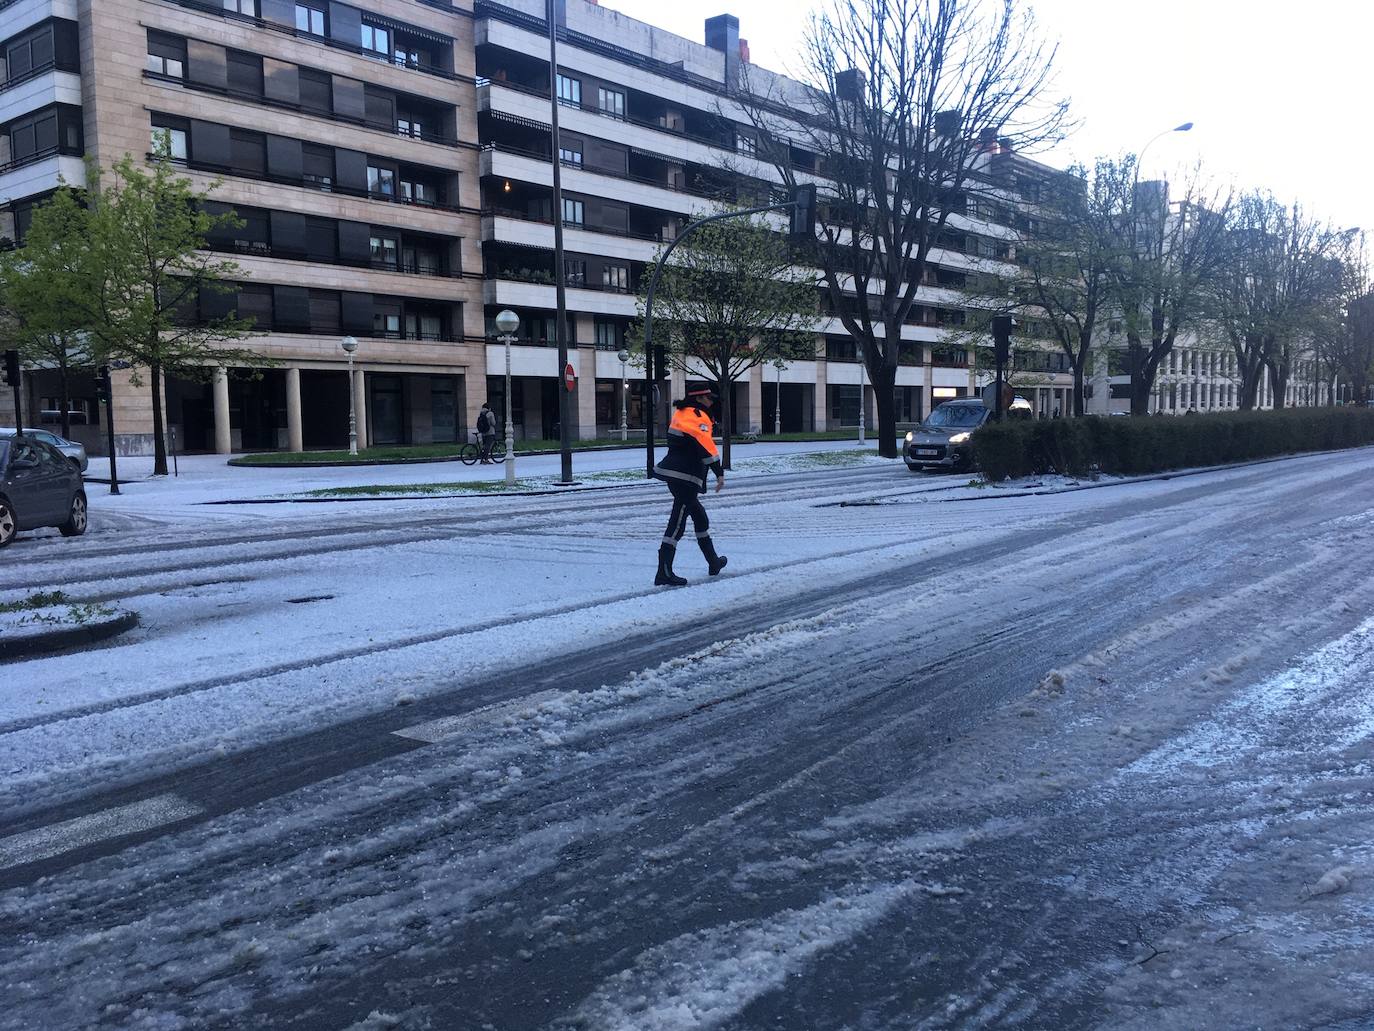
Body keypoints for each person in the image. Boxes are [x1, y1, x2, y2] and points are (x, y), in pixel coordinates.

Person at [651, 386, 727, 587]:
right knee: (678, 522)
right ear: (700, 398)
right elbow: (705, 446)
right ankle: (664, 572)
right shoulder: (698, 416)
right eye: (709, 398)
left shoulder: (682, 413)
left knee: (700, 518)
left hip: (676, 473)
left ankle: (713, 562)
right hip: (685, 476)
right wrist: (718, 472)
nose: (712, 401)